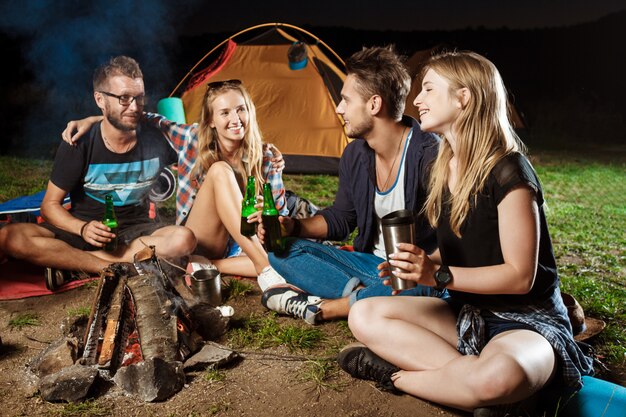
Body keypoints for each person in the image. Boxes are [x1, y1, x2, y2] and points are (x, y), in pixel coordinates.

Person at [337, 51, 594, 416]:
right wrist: (423, 263)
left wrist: (437, 275)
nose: (418, 100)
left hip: (526, 321)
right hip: (468, 312)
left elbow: (521, 277)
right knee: (363, 314)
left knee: (497, 376)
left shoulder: (509, 171)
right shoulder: (444, 166)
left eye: (428, 89)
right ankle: (478, 389)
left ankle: (398, 375)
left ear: (463, 98)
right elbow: (463, 246)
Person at [258, 46, 446, 325]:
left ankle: (330, 307)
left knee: (427, 287)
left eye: (346, 100)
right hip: (369, 266)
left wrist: (425, 267)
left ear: (374, 104)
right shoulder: (356, 154)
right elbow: (342, 218)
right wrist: (293, 226)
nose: (339, 108)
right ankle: (366, 297)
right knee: (280, 251)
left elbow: (455, 239)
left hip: (417, 273)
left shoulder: (430, 155)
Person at [63, 80, 288, 286]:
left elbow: (281, 221)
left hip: (241, 247)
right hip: (200, 237)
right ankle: (265, 269)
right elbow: (143, 118)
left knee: (284, 259)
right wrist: (94, 120)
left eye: (241, 109)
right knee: (220, 170)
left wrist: (265, 223)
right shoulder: (191, 139)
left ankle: (206, 264)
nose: (235, 119)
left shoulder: (267, 159)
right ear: (210, 120)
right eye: (225, 112)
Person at [0, 56, 197, 289]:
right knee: (8, 237)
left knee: (184, 239)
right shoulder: (79, 142)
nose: (134, 107)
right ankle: (111, 267)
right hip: (82, 232)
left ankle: (76, 266)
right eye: (124, 98)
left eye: (139, 98)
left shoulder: (159, 137)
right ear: (100, 99)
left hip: (137, 233)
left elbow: (199, 141)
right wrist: (82, 229)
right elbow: (49, 206)